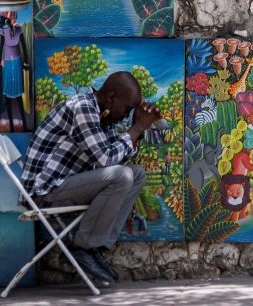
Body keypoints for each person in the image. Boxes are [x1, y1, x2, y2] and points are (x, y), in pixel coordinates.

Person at [22, 71, 161, 287]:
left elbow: (116, 156)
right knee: (122, 175)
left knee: (136, 175)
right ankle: (84, 247)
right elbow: (107, 160)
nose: (126, 115)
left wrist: (137, 131)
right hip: (45, 192)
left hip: (66, 185)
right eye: (127, 109)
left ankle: (97, 247)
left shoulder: (103, 115)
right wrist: (137, 127)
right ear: (111, 97)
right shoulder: (82, 108)